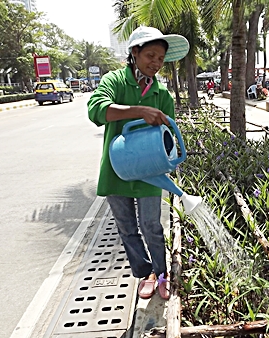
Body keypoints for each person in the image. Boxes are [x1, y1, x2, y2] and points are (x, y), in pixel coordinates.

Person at [87, 26, 189, 301]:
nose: (156, 63)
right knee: (127, 228)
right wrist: (139, 111)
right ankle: (145, 273)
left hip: (150, 170)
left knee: (151, 226)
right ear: (134, 53)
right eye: (151, 55)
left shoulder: (162, 95)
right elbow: (96, 110)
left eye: (160, 59)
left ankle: (162, 273)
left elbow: (169, 137)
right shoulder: (115, 82)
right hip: (116, 167)